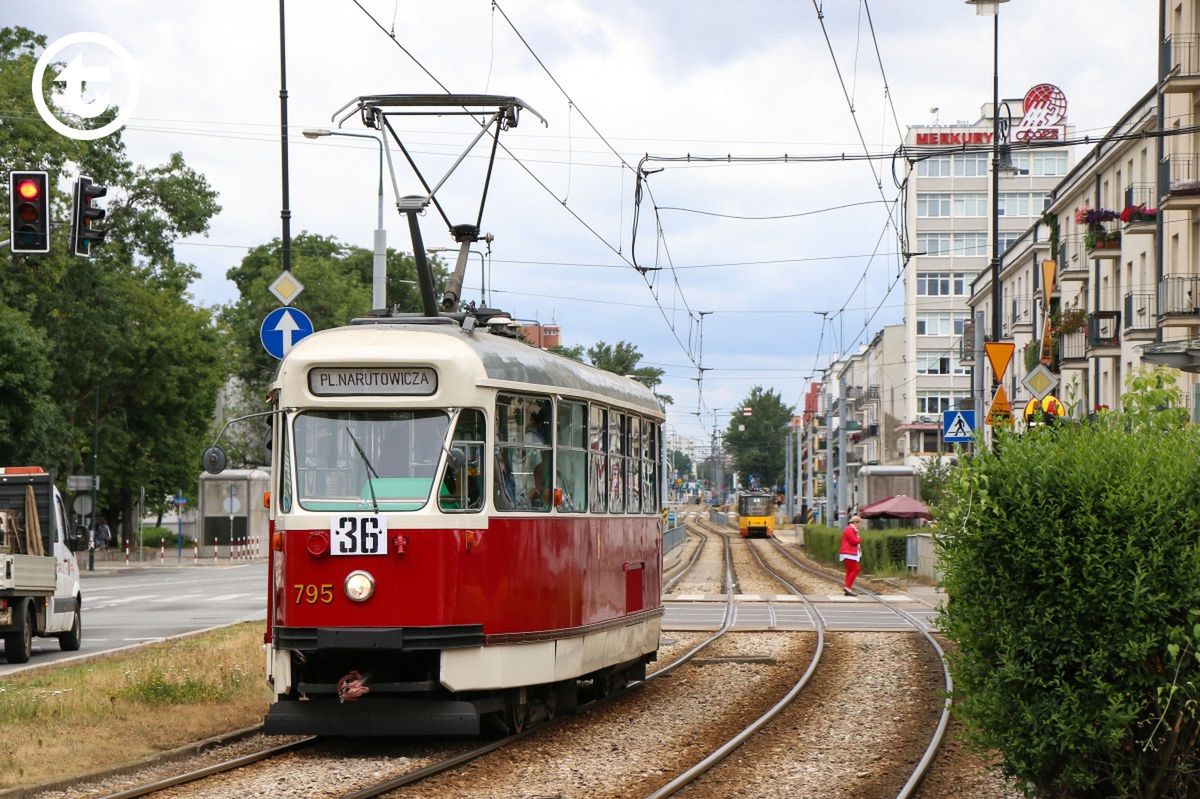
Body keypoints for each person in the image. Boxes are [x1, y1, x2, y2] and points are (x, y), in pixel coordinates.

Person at [839, 514, 863, 597]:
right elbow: (854, 541)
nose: (860, 525)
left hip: (848, 553)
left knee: (850, 571)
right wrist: (860, 539)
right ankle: (848, 587)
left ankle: (847, 588)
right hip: (848, 553)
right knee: (856, 569)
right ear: (855, 522)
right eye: (859, 523)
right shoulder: (850, 529)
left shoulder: (851, 529)